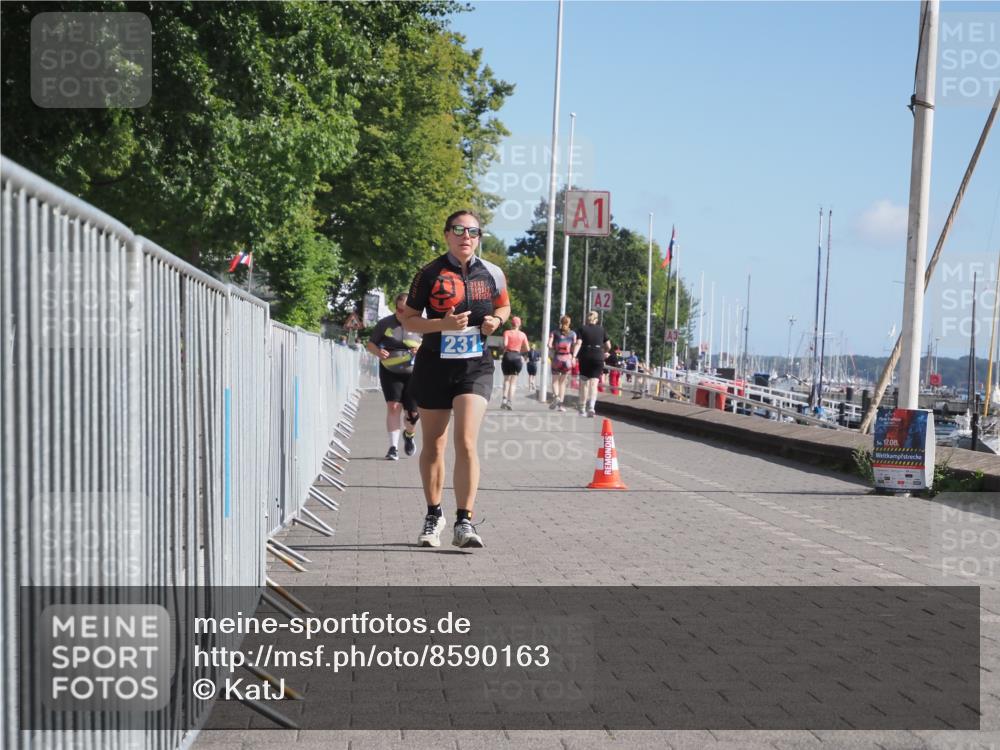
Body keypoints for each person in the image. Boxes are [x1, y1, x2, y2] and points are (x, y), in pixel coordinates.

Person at [398, 210, 510, 549]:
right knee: (434, 444)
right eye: (459, 230)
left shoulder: (493, 273)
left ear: (479, 237)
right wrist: (441, 325)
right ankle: (434, 515)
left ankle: (465, 521)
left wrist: (495, 321)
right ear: (447, 234)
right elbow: (411, 321)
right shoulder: (429, 273)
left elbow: (503, 307)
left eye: (473, 231)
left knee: (466, 440)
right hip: (435, 362)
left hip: (475, 364)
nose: (466, 236)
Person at [365, 293, 422, 460]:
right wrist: (378, 351)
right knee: (393, 406)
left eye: (406, 310)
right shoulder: (385, 323)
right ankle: (393, 448)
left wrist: (420, 349)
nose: (402, 313)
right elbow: (370, 344)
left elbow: (430, 345)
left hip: (414, 373)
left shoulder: (420, 324)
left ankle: (409, 436)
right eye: (399, 309)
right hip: (390, 371)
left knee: (412, 414)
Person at [573, 311, 610, 417]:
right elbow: (608, 345)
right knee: (594, 383)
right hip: (598, 357)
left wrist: (574, 356)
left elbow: (579, 343)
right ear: (596, 319)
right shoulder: (602, 329)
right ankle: (592, 407)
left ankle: (582, 408)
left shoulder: (582, 329)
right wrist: (603, 351)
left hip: (585, 357)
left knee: (584, 383)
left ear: (587, 319)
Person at [547, 315, 576, 412]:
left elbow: (549, 344)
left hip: (557, 359)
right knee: (563, 383)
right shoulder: (573, 334)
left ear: (560, 322)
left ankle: (556, 397)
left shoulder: (554, 333)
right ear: (569, 323)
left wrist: (553, 348)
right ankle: (561, 405)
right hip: (567, 360)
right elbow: (574, 347)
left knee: (555, 381)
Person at [500, 316, 529, 410]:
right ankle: (510, 401)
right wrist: (520, 349)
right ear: (519, 324)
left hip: (508, 355)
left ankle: (504, 399)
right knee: (513, 382)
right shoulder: (522, 335)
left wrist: (503, 348)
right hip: (517, 356)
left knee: (506, 379)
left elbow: (505, 344)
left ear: (511, 323)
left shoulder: (507, 332)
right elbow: (527, 348)